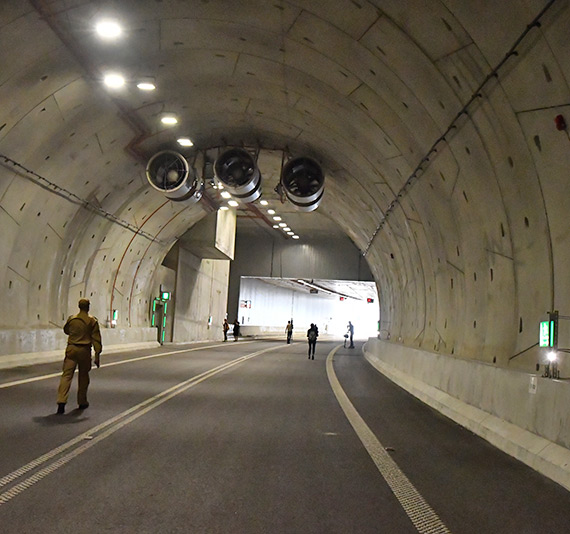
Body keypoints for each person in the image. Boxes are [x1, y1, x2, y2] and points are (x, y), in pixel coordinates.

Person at [56, 298, 102, 414]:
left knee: (66, 375)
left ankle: (61, 401)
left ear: (79, 306)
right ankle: (82, 401)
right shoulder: (92, 321)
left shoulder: (72, 319)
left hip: (71, 349)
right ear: (88, 307)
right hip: (84, 350)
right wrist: (97, 355)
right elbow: (96, 339)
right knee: (83, 376)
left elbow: (66, 330)